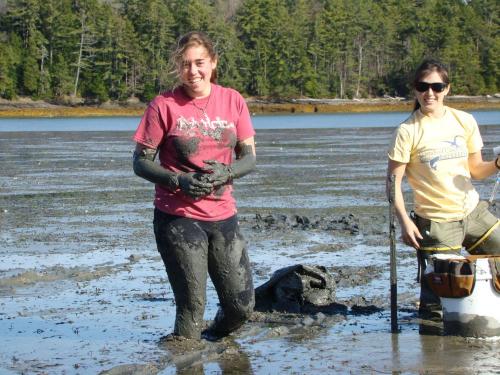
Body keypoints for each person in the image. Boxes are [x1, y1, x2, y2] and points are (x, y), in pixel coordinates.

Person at [132, 31, 256, 340]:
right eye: (185, 64)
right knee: (192, 306)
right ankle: (186, 356)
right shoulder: (163, 105)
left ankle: (213, 339)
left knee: (241, 307)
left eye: (199, 63)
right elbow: (140, 161)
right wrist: (178, 180)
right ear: (178, 67)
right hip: (177, 216)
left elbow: (250, 157)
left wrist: (227, 173)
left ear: (213, 63)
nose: (193, 71)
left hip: (223, 214)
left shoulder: (233, 100)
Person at [386, 59, 500, 318]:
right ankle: (433, 347)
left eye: (437, 87)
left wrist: (496, 164)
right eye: (423, 86)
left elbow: (477, 170)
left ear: (447, 89)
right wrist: (404, 221)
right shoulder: (407, 131)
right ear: (415, 89)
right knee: (436, 305)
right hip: (436, 223)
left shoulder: (465, 121)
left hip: (474, 214)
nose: (430, 93)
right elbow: (392, 184)